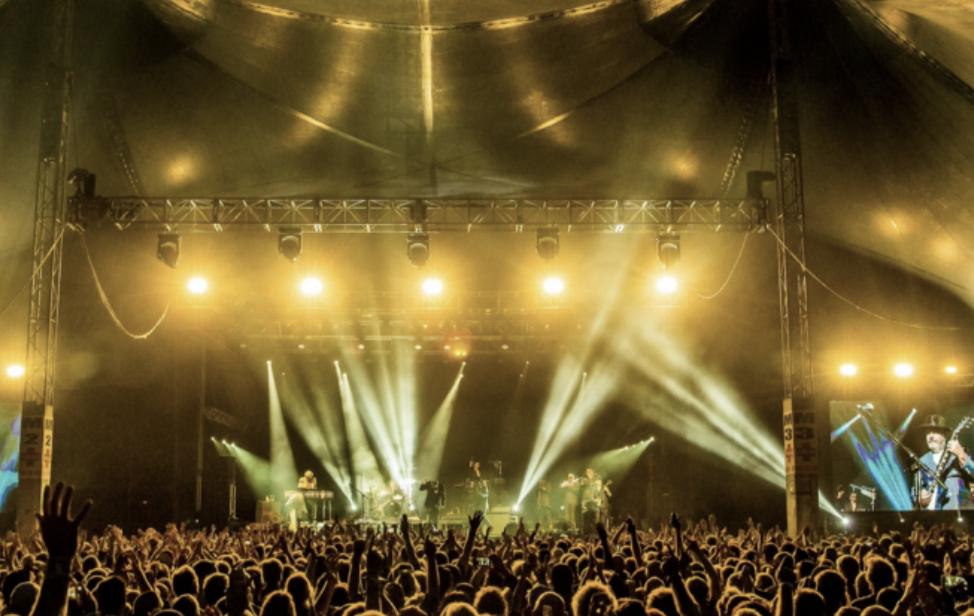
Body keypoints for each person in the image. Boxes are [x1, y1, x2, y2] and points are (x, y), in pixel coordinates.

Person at [915, 414, 974, 510]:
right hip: (933, 514)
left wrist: (961, 454)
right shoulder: (922, 461)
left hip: (958, 511)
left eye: (935, 432)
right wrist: (919, 495)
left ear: (945, 435)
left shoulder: (958, 454)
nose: (931, 436)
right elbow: (915, 490)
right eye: (928, 433)